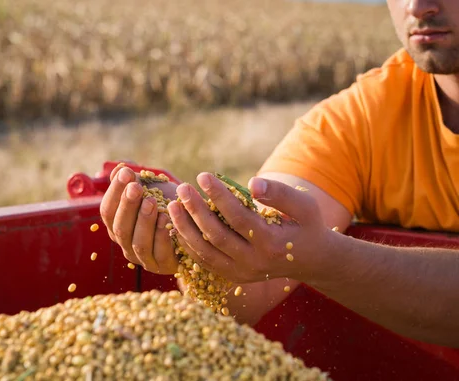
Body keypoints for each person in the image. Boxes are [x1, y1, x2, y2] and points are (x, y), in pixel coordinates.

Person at [100, 0, 459, 348]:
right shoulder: (364, 116)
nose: (417, 5)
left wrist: (330, 260)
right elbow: (249, 289)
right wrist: (194, 239)